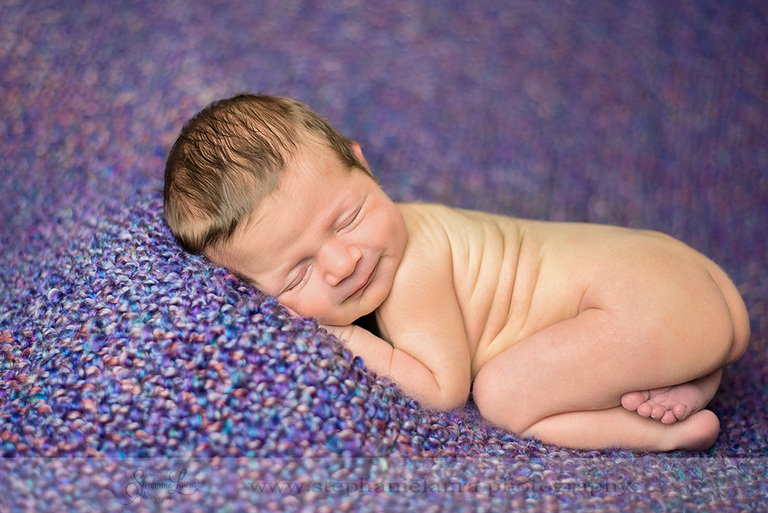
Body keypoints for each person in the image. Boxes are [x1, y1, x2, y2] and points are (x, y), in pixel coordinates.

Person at [164, 93, 750, 451]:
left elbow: (441, 390)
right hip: (673, 277)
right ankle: (695, 371)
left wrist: (340, 337)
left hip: (644, 297)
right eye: (295, 277)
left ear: (362, 164)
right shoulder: (396, 234)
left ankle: (665, 431)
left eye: (348, 218)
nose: (344, 264)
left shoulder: (413, 267)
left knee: (503, 395)